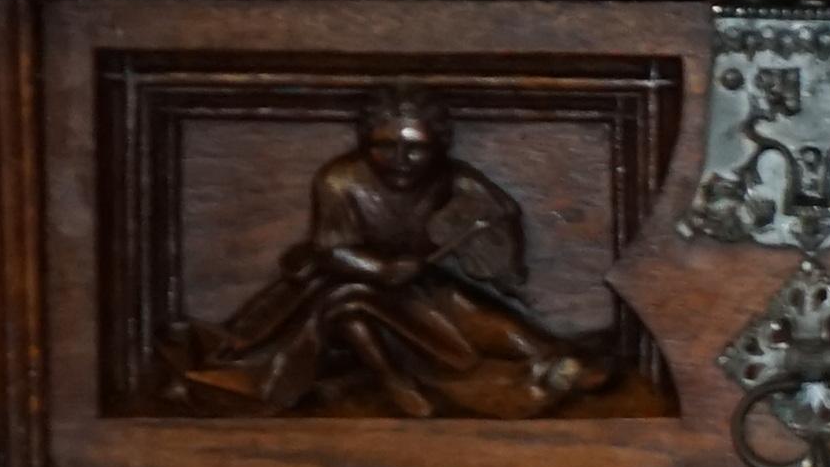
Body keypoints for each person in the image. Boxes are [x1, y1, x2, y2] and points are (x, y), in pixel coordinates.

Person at [164, 85, 640, 417]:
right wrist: (381, 267)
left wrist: (492, 253)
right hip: (353, 284)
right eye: (384, 146)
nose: (400, 160)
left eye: (416, 148)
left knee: (510, 337)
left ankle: (554, 366)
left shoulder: (455, 181)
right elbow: (332, 250)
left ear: (440, 145)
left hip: (424, 286)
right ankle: (398, 382)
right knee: (349, 306)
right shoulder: (341, 180)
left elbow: (497, 232)